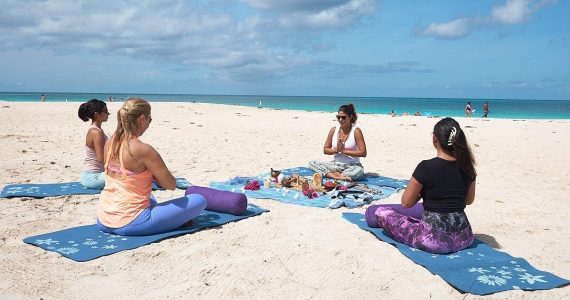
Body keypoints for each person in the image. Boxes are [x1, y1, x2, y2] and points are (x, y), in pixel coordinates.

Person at [96, 98, 207, 236]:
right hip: (130, 223)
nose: (149, 123)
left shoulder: (110, 142)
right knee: (199, 200)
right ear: (142, 119)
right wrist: (154, 174)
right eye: (150, 119)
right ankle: (174, 220)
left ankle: (171, 219)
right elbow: (171, 185)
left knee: (151, 198)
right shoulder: (143, 149)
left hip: (103, 219)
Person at [370, 117, 476, 254]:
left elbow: (406, 203)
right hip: (464, 238)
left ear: (434, 138)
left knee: (381, 213)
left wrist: (421, 193)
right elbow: (469, 200)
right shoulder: (468, 167)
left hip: (434, 241)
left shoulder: (426, 167)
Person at [308, 104, 367, 181]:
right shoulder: (333, 130)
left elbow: (363, 153)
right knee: (312, 163)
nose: (340, 119)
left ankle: (334, 175)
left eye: (343, 117)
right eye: (338, 117)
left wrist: (344, 151)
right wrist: (337, 150)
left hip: (352, 165)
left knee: (359, 171)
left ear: (350, 117)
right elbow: (326, 149)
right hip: (336, 165)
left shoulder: (356, 131)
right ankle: (336, 176)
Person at [78, 99, 109, 189]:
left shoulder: (97, 130)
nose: (108, 114)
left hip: (93, 175)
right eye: (106, 111)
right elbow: (101, 159)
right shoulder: (96, 132)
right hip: (93, 177)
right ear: (97, 114)